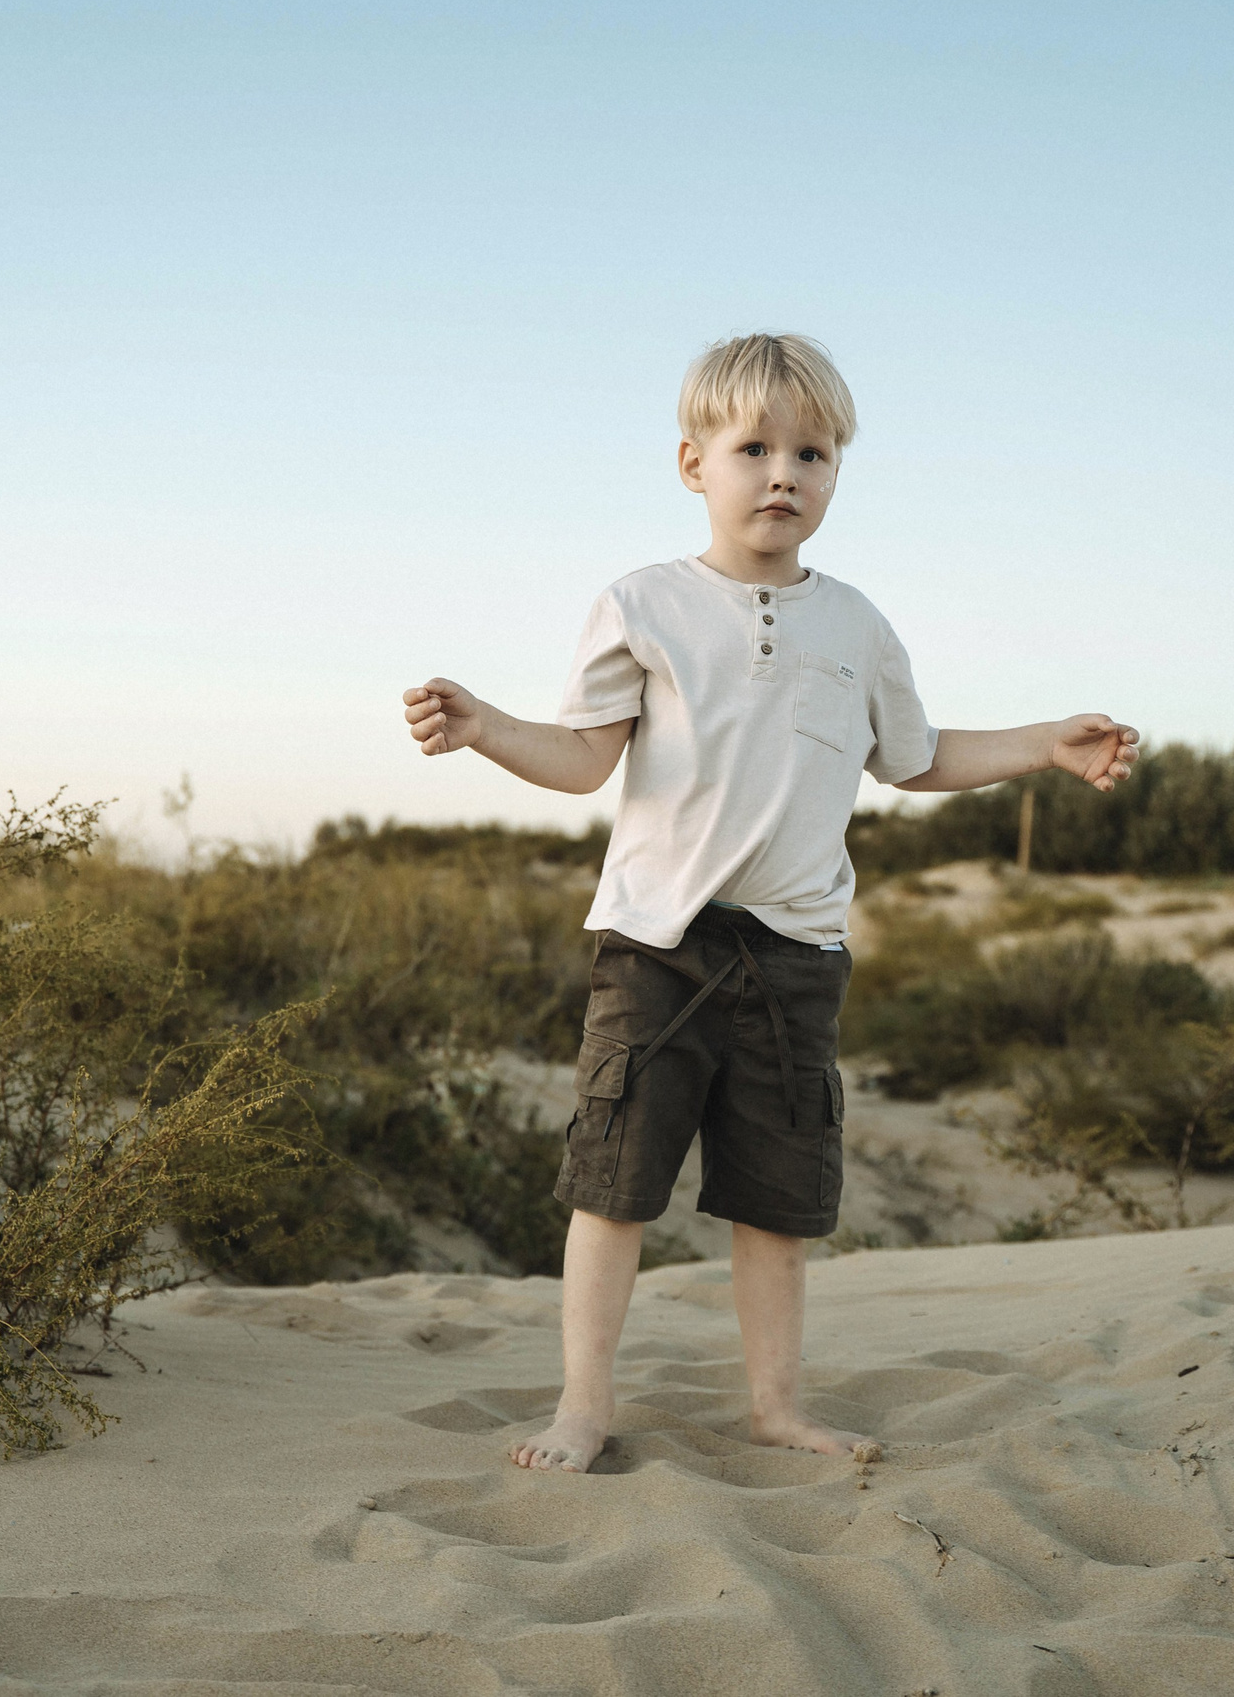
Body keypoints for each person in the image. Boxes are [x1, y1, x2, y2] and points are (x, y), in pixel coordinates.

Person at [400, 333, 1139, 1473]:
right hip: (656, 946)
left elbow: (915, 757)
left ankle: (776, 1407)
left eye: (813, 454)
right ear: (693, 463)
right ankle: (582, 1408)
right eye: (754, 448)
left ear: (836, 473)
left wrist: (1045, 743)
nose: (784, 473)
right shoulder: (643, 602)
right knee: (612, 1188)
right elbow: (585, 759)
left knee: (780, 1202)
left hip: (796, 955)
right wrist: (486, 726)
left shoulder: (858, 624)